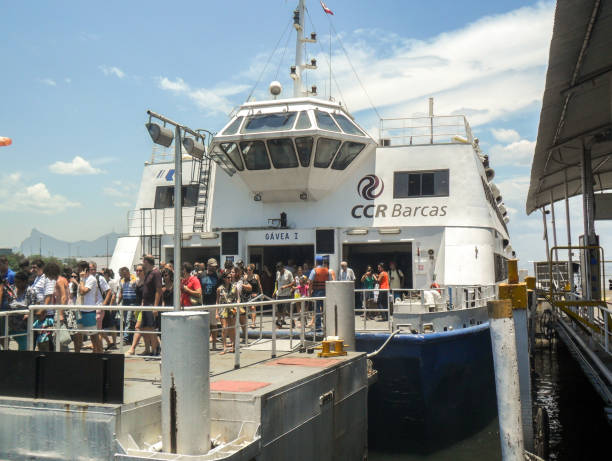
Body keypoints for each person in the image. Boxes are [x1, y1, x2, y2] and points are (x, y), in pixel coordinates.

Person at [127, 256, 162, 356]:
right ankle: (151, 349)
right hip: (145, 304)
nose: (143, 264)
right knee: (145, 327)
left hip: (151, 305)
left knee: (150, 328)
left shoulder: (156, 273)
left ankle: (156, 349)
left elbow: (158, 290)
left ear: (146, 262)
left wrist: (155, 306)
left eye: (143, 262)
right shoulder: (148, 273)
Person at [79, 261, 110, 354]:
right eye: (90, 269)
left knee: (97, 332)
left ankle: (99, 352)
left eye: (93, 269)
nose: (91, 271)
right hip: (89, 308)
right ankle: (96, 350)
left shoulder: (99, 278)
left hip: (98, 306)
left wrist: (104, 305)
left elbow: (108, 291)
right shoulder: (85, 278)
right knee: (93, 333)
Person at [200, 258, 220, 349]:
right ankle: (204, 345)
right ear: (208, 265)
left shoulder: (218, 276)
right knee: (204, 325)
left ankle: (214, 345)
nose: (214, 268)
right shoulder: (201, 275)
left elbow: (219, 291)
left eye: (215, 266)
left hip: (213, 303)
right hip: (203, 303)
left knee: (214, 325)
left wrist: (217, 306)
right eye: (213, 266)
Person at [217, 271, 237, 354]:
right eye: (228, 277)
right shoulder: (219, 289)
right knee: (224, 328)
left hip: (232, 308)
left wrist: (237, 306)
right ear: (224, 279)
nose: (230, 279)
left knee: (232, 328)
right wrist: (216, 312)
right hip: (223, 308)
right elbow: (217, 301)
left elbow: (238, 298)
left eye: (230, 277)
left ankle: (233, 346)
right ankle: (224, 347)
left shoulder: (234, 287)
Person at [308, 256, 331, 330]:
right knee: (325, 309)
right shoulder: (327, 270)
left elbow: (310, 282)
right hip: (325, 291)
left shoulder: (314, 270)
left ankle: (318, 326)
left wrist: (309, 293)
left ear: (316, 262)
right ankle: (327, 325)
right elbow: (330, 282)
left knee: (317, 309)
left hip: (317, 292)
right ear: (323, 262)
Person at [117, 267, 137, 345]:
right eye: (122, 275)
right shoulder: (121, 281)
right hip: (125, 302)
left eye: (125, 274)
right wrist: (118, 303)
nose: (124, 276)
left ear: (128, 273)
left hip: (133, 302)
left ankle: (125, 339)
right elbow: (121, 292)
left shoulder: (134, 279)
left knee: (128, 320)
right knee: (127, 321)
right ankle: (130, 338)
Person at [275, 261, 294, 328]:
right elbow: (277, 282)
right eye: (278, 270)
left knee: (288, 309)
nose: (279, 271)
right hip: (279, 294)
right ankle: (279, 322)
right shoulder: (277, 273)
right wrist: (276, 290)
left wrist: (286, 286)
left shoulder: (289, 273)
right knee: (279, 310)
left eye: (280, 269)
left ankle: (292, 320)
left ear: (283, 267)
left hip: (287, 294)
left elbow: (293, 283)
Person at [245, 263, 262, 328]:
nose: (248, 271)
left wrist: (261, 293)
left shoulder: (256, 276)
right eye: (247, 270)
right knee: (250, 308)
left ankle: (253, 323)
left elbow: (259, 285)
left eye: (249, 270)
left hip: (255, 294)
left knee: (253, 308)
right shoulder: (245, 277)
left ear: (252, 270)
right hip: (247, 294)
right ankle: (252, 321)